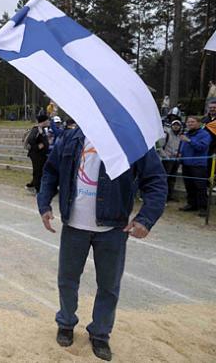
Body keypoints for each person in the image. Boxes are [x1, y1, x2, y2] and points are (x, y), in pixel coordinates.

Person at [38, 127, 166, 361]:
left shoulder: (132, 139)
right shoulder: (71, 137)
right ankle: (66, 323)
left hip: (113, 228)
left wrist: (145, 219)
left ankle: (100, 333)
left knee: (108, 286)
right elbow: (50, 172)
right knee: (67, 280)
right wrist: (44, 204)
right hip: (74, 226)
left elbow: (156, 181)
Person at [178, 116, 211, 217]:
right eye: (188, 122)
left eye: (192, 122)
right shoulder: (187, 134)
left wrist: (189, 141)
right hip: (186, 164)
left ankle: (203, 208)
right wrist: (180, 153)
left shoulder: (204, 134)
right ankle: (192, 204)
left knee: (200, 187)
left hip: (198, 165)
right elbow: (183, 146)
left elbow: (201, 147)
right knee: (189, 185)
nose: (190, 124)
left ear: (199, 123)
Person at [157, 120, 183, 201]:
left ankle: (170, 195)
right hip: (167, 160)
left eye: (177, 125)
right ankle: (162, 195)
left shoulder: (181, 136)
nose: (176, 126)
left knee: (172, 178)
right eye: (174, 125)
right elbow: (159, 147)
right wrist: (165, 156)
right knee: (166, 178)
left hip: (176, 160)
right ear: (171, 126)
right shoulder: (166, 135)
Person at [25, 114, 50, 193]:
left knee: (40, 171)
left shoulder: (42, 129)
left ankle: (33, 185)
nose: (49, 121)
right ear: (44, 121)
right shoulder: (36, 129)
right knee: (38, 171)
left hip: (41, 155)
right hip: (36, 155)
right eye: (47, 120)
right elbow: (31, 140)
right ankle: (37, 189)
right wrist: (38, 147)